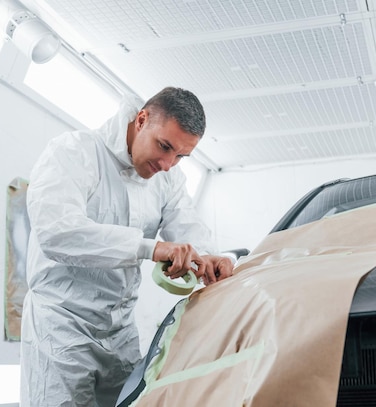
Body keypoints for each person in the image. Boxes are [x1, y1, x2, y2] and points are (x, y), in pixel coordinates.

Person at [19, 87, 234, 406]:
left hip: (119, 331)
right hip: (61, 326)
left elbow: (187, 225)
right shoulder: (75, 152)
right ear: (142, 119)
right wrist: (152, 248)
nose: (167, 163)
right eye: (164, 147)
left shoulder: (169, 179)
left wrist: (209, 257)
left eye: (180, 157)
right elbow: (56, 232)